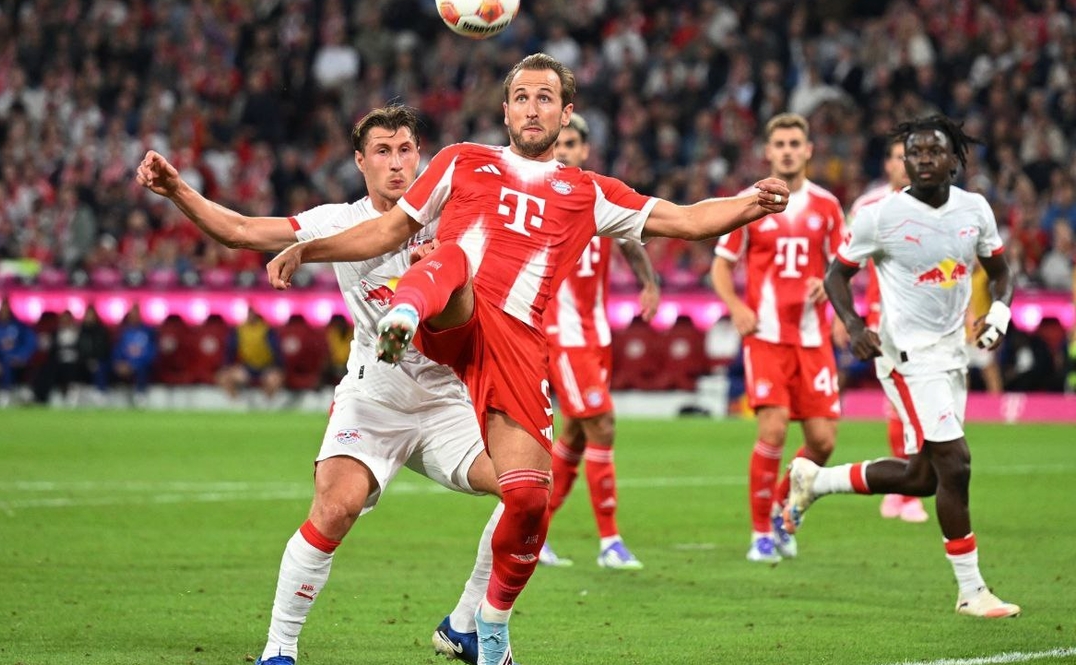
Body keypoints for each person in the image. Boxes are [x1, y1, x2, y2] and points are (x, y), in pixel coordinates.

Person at [265, 53, 790, 665]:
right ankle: (404, 314)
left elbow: (687, 220)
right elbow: (387, 232)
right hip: (448, 319)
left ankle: (480, 625)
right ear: (506, 110)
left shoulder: (589, 192)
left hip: (510, 350)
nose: (532, 109)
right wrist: (309, 249)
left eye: (545, 98)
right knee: (453, 259)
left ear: (566, 114)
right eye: (521, 97)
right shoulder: (462, 159)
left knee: (529, 498)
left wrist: (750, 202)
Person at [136, 105, 505, 665]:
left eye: (406, 150)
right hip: (375, 397)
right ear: (360, 161)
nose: (396, 163)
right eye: (382, 151)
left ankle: (464, 624)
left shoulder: (451, 217)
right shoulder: (336, 221)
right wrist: (178, 191)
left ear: (420, 156)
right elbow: (241, 231)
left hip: (447, 401)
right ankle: (278, 650)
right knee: (335, 509)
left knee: (528, 491)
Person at [790, 114, 1020, 619]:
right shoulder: (881, 216)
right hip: (906, 358)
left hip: (951, 355)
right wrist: (854, 325)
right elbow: (836, 276)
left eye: (934, 151)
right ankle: (971, 590)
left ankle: (815, 481)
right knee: (955, 464)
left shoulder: (974, 210)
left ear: (954, 159)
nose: (923, 160)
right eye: (914, 153)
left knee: (924, 478)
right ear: (904, 162)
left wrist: (999, 314)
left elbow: (1002, 272)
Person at [709, 112, 845, 564]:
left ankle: (780, 508)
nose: (787, 151)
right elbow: (721, 266)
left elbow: (843, 267)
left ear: (808, 151)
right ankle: (759, 534)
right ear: (768, 152)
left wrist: (830, 287)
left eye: (794, 144)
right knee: (773, 427)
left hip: (813, 338)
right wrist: (736, 306)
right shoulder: (751, 202)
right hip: (766, 336)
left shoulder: (827, 206)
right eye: (780, 144)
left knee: (823, 441)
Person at [537, 113, 660, 571]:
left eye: (571, 143)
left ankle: (534, 534)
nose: (564, 151)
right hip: (562, 335)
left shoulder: (597, 196)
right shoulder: (538, 196)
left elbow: (628, 239)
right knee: (602, 423)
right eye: (558, 144)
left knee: (574, 434)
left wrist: (648, 281)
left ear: (585, 150)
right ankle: (610, 541)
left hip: (596, 335)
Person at [848, 136, 929, 524]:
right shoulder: (868, 206)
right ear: (887, 164)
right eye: (899, 157)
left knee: (924, 404)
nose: (905, 163)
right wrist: (845, 317)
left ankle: (906, 488)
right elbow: (843, 262)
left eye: (910, 156)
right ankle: (906, 491)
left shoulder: (936, 204)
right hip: (886, 317)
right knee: (902, 403)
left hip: (929, 317)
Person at [218, 305, 285, 404]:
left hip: (266, 367)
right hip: (247, 367)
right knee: (224, 377)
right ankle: (236, 403)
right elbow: (230, 350)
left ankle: (267, 404)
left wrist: (278, 368)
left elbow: (277, 351)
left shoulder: (266, 330)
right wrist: (227, 366)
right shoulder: (239, 330)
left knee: (274, 380)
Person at [0, 296, 38, 407]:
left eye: (6, 309)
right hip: (0, 362)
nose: (4, 312)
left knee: (14, 365)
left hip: (18, 362)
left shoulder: (20, 327)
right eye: (2, 309)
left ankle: (16, 393)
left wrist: (21, 356)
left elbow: (30, 343)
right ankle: (4, 393)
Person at [111, 303, 157, 405]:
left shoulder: (147, 333)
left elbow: (150, 353)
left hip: (141, 365)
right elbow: (118, 350)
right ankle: (103, 395)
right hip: (124, 365)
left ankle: (140, 395)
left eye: (136, 314)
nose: (134, 317)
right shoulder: (123, 333)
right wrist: (119, 363)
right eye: (132, 315)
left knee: (143, 370)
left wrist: (134, 365)